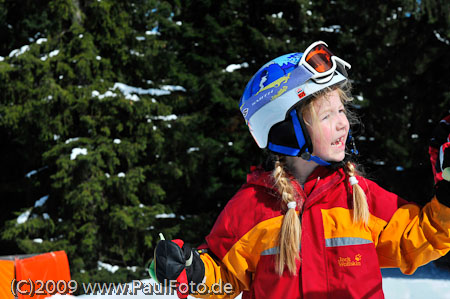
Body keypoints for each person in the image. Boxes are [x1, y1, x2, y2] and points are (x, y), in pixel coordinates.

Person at [152, 41, 450, 299]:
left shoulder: (358, 196)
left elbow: (422, 236)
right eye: (326, 115)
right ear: (286, 131)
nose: (343, 123)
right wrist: (191, 271)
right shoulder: (252, 208)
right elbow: (223, 276)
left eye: (341, 111)